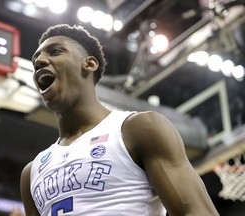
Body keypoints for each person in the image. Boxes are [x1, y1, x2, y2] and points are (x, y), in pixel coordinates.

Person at [20, 24, 219, 216]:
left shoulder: (139, 129)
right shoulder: (32, 172)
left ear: (89, 64)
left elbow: (196, 211)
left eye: (55, 51)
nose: (39, 61)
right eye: (36, 58)